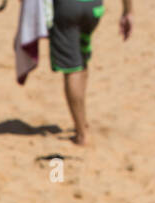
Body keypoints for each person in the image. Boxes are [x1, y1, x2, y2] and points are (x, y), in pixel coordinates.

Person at [51, 0, 132, 146]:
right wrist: (128, 11)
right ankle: (83, 122)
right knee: (81, 58)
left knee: (72, 68)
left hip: (67, 8)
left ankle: (81, 133)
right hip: (94, 8)